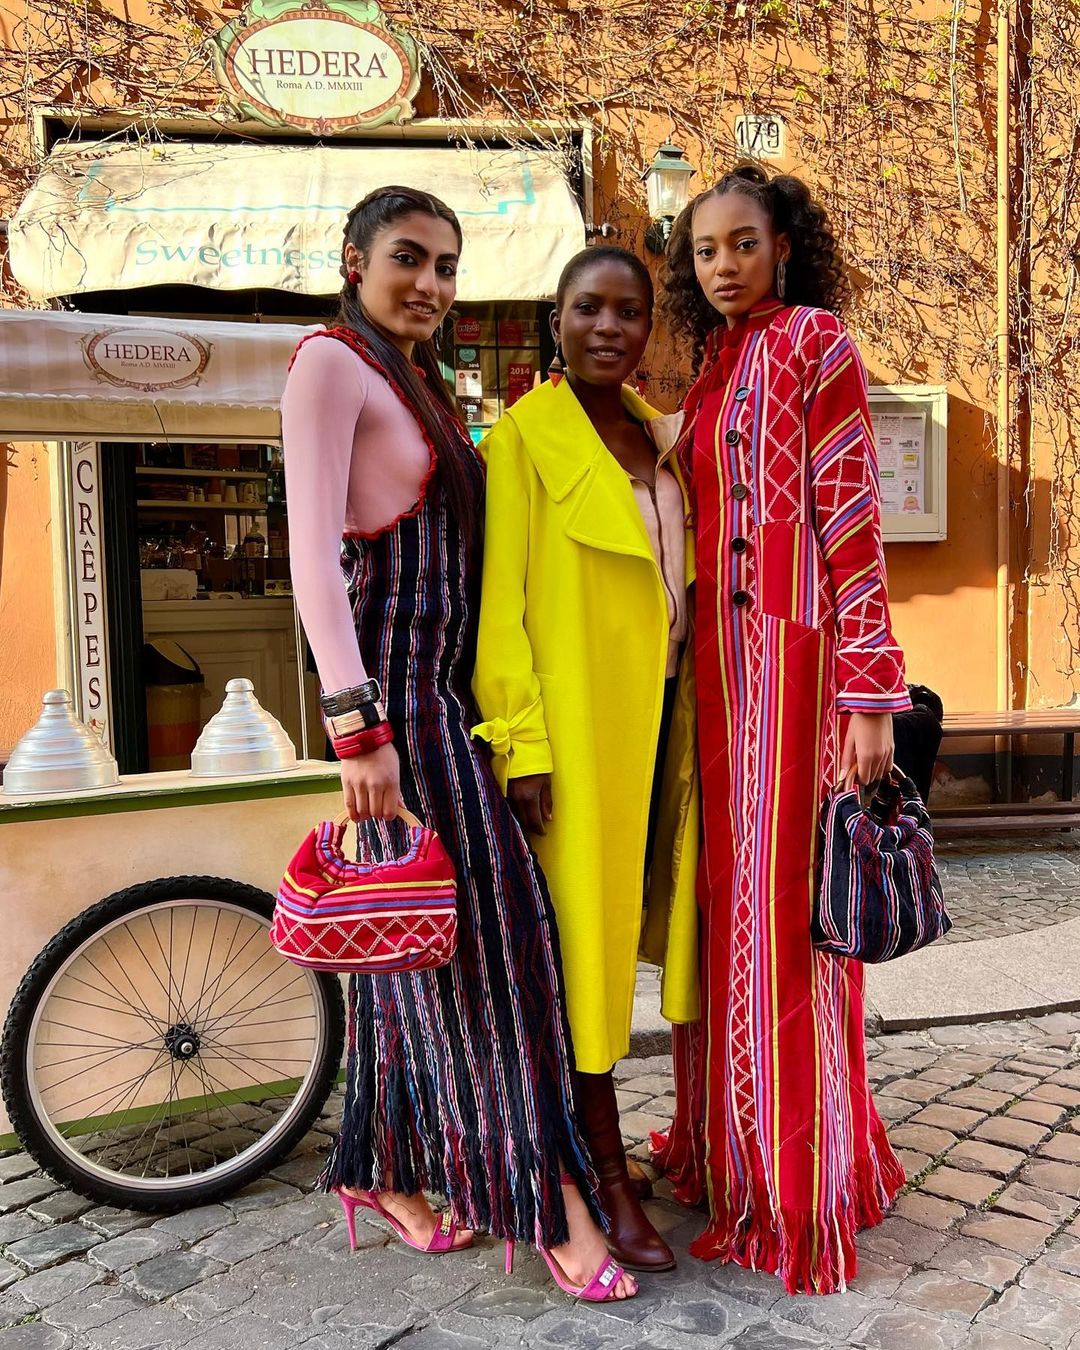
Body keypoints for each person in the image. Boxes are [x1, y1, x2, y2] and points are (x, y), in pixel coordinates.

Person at [281, 187, 636, 1303]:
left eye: (446, 265)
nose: (430, 283)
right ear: (355, 260)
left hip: (446, 701)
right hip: (395, 710)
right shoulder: (330, 365)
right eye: (408, 258)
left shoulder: (417, 378)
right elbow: (309, 557)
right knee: (498, 950)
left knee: (421, 947)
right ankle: (551, 1203)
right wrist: (357, 729)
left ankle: (379, 1167)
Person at [652, 164, 911, 1294]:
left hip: (798, 670)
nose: (723, 265)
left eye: (743, 243)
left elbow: (852, 515)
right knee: (728, 922)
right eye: (706, 249)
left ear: (785, 246)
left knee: (787, 926)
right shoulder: (714, 365)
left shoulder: (817, 343)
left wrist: (868, 693)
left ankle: (797, 1185)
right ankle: (731, 1150)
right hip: (717, 679)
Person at [472, 246, 700, 1273]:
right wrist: (522, 742)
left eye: (630, 311)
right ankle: (601, 1175)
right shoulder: (525, 438)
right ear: (556, 320)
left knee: (657, 940)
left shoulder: (664, 437)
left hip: (674, 728)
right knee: (587, 960)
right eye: (588, 308)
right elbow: (502, 609)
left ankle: (628, 1147)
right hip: (580, 733)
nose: (610, 327)